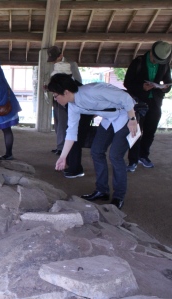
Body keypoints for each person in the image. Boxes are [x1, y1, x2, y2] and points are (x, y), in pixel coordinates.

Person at [47, 73, 138, 209]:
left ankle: (119, 196)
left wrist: (132, 120)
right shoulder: (73, 106)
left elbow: (125, 98)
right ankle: (102, 190)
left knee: (115, 156)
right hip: (108, 119)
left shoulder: (92, 90)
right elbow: (71, 132)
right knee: (96, 151)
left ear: (65, 92)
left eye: (55, 95)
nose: (55, 98)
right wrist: (63, 157)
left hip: (126, 116)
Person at [124, 41, 172, 172]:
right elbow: (127, 83)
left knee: (150, 131)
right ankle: (132, 160)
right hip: (138, 102)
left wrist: (164, 88)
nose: (156, 62)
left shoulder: (165, 64)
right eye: (154, 59)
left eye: (160, 61)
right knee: (135, 132)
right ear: (151, 52)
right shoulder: (138, 62)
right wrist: (141, 87)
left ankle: (143, 156)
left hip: (155, 102)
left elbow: (168, 81)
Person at [47, 46, 82, 156]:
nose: (54, 62)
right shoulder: (54, 65)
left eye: (55, 59)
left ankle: (63, 147)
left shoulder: (71, 64)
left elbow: (78, 81)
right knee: (57, 122)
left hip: (66, 97)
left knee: (63, 122)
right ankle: (59, 145)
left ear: (61, 55)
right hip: (56, 96)